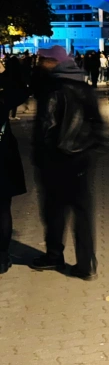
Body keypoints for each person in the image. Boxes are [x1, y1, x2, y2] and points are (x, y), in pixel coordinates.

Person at [31, 46, 104, 280]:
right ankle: (86, 264)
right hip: (82, 160)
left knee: (54, 211)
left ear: (54, 62)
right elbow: (98, 124)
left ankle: (54, 256)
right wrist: (90, 150)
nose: (40, 63)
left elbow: (46, 129)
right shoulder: (85, 87)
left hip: (57, 161)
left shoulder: (53, 90)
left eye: (44, 59)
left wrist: (41, 159)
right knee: (83, 213)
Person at [0, 76, 29, 273]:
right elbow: (21, 91)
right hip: (3, 157)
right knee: (2, 208)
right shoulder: (3, 99)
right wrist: (4, 73)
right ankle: (2, 258)